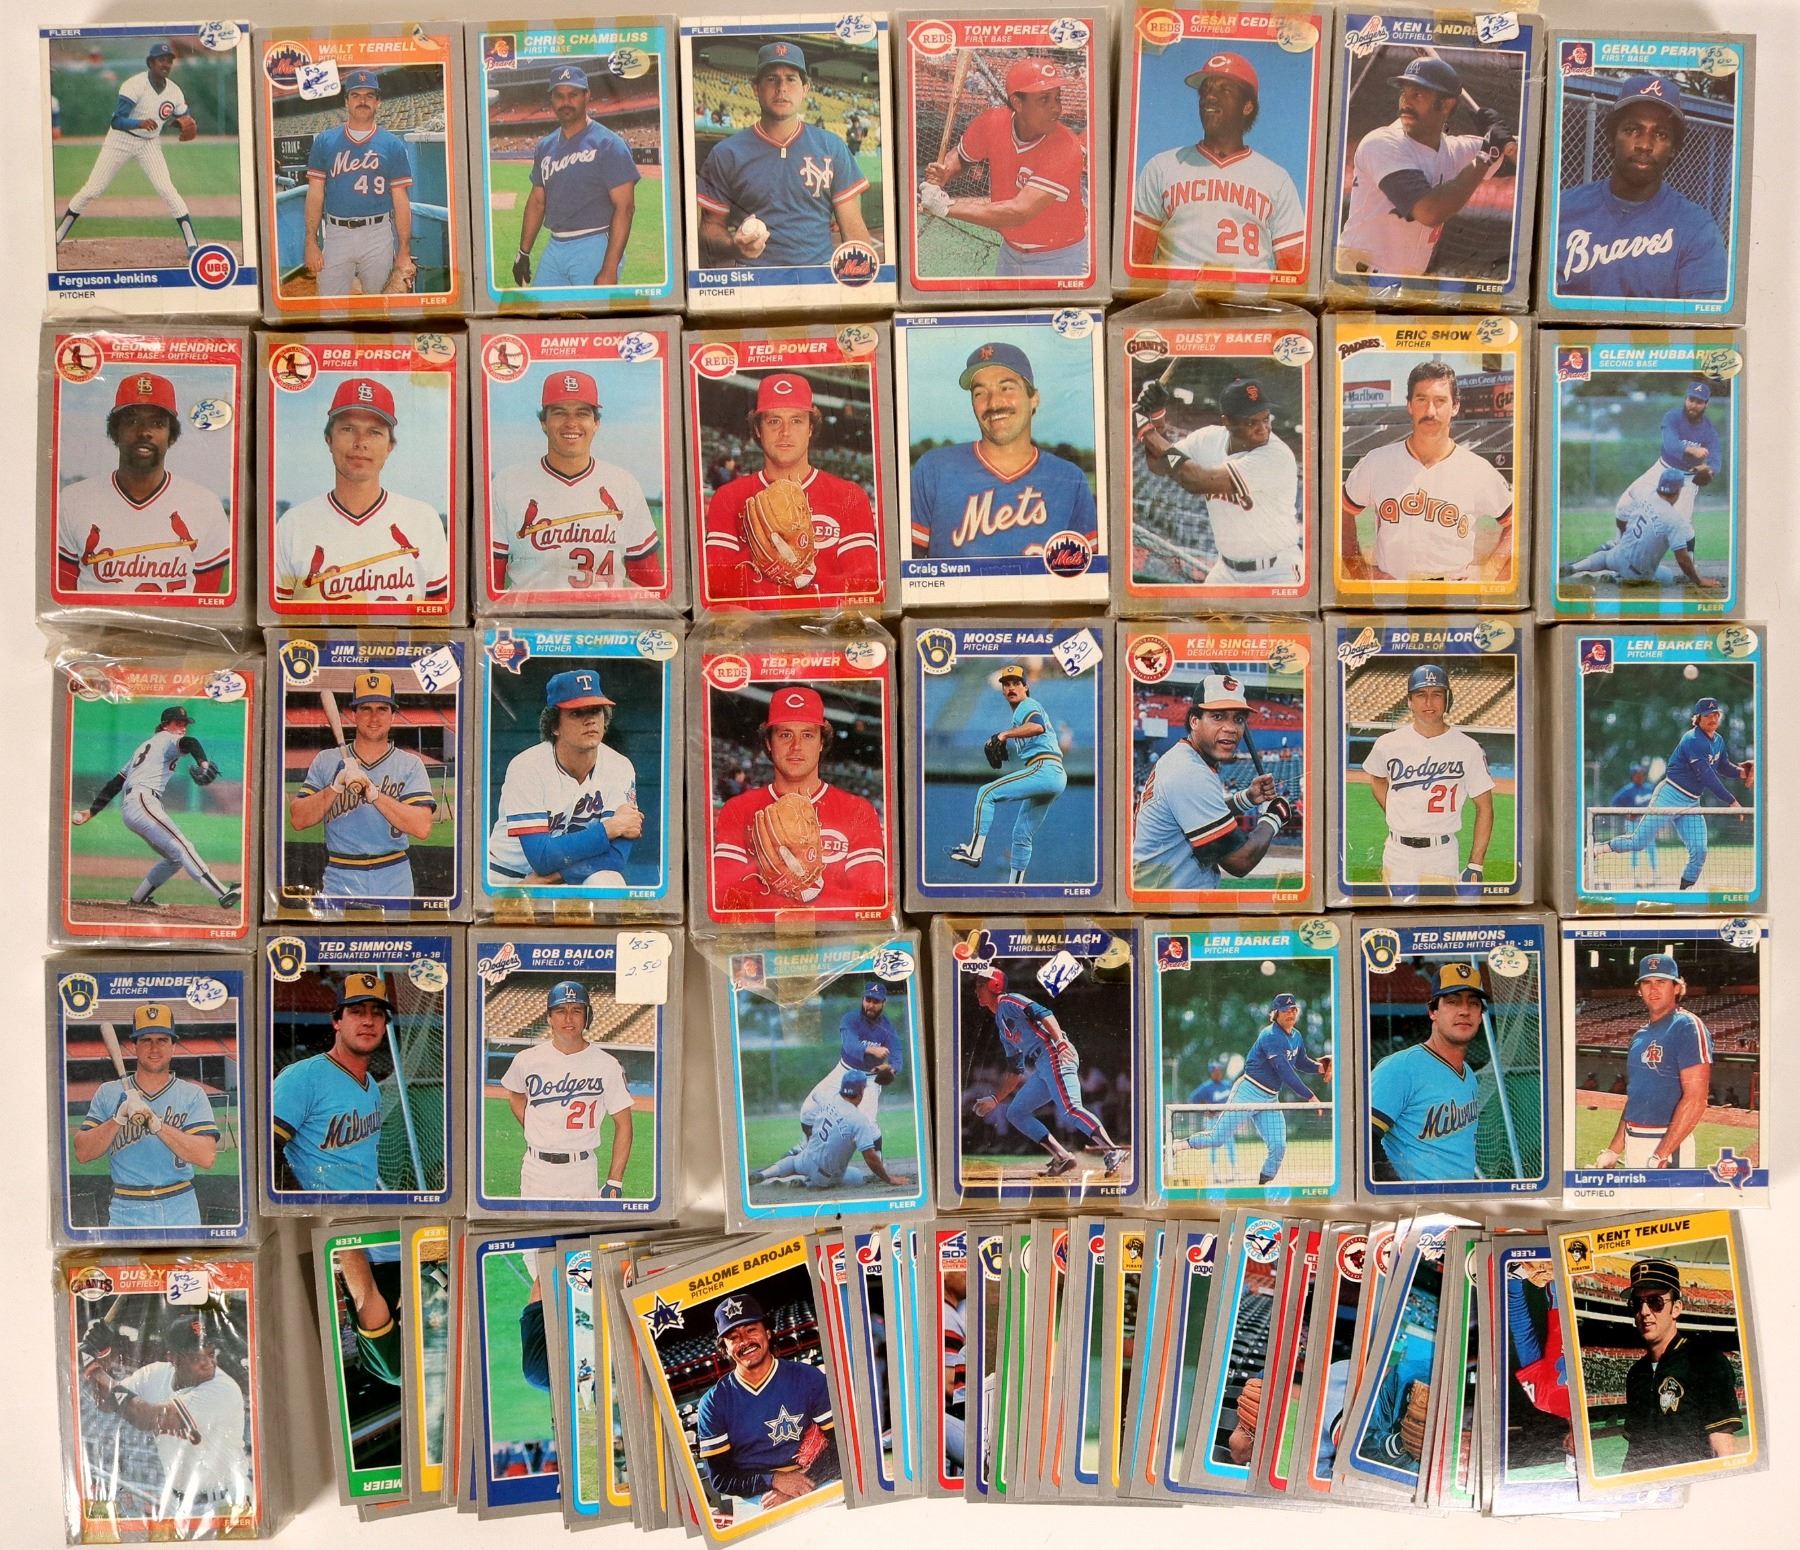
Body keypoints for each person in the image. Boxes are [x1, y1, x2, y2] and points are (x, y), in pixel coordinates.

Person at [909, 341, 1097, 562]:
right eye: (980, 393)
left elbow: (1088, 572)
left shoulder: (1070, 480)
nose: (994, 403)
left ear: (1034, 398)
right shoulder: (933, 470)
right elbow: (909, 566)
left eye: (1006, 388)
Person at [272, 377, 450, 608]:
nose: (360, 442)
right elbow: (277, 619)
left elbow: (440, 617)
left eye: (374, 432)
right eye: (348, 429)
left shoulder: (423, 519)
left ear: (390, 446)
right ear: (329, 439)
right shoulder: (292, 525)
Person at [702, 373, 878, 602]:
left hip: (826, 626)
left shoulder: (850, 496)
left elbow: (864, 587)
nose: (785, 431)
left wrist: (803, 576)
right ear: (758, 429)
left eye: (796, 420)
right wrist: (766, 563)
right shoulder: (728, 498)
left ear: (810, 428)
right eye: (774, 421)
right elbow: (716, 588)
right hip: (753, 627)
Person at [711, 685, 887, 913]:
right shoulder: (738, 809)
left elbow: (872, 901)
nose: (796, 746)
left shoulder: (858, 810)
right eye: (785, 734)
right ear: (769, 742)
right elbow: (724, 900)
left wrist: (808, 888)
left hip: (837, 938)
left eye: (807, 735)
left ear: (821, 743)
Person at [696, 42, 873, 268]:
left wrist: (864, 278)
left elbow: (854, 229)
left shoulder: (832, 147)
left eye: (791, 79)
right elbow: (710, 227)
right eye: (772, 79)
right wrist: (734, 246)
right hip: (755, 276)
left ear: (805, 89)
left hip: (819, 273)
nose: (782, 88)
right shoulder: (726, 153)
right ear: (755, 88)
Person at [488, 370, 663, 598]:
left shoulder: (623, 484)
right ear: (543, 422)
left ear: (596, 423)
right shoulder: (507, 484)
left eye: (582, 413)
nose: (571, 423)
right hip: (531, 616)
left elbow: (649, 583)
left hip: (607, 614)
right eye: (560, 413)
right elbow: (489, 586)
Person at [1337, 55, 1516, 278]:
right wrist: (1487, 156)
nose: (1406, 102)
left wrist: (1501, 135)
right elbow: (1430, 212)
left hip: (1406, 282)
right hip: (1357, 278)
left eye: (1418, 94)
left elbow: (1524, 162)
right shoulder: (1382, 143)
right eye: (1404, 93)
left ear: (1446, 105)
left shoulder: (1457, 149)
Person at [56, 372, 231, 597]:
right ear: (115, 432)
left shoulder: (205, 505)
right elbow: (64, 599)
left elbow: (206, 603)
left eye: (157, 423)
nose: (144, 432)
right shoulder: (72, 500)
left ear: (171, 436)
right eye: (132, 421)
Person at [1554, 74, 1728, 301]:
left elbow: (1703, 319)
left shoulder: (1697, 228)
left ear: (1673, 149)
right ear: (1611, 138)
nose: (1645, 145)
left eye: (1661, 134)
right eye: (1632, 130)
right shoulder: (1561, 210)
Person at [1130, 51, 1304, 276]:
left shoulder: (1276, 179)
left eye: (1224, 89)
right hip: (1177, 296)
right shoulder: (1162, 166)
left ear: (1247, 106)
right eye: (1206, 90)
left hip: (1247, 297)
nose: (1210, 96)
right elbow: (1137, 260)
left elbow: (1293, 272)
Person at [1340, 360, 1514, 582]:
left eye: (1440, 401)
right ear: (1409, 405)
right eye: (1421, 399)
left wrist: (1489, 571)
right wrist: (1359, 570)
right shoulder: (1377, 462)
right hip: (1394, 593)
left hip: (1453, 594)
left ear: (1455, 406)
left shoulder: (1477, 469)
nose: (1430, 411)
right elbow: (1342, 511)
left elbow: (1516, 523)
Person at [918, 58, 1088, 278]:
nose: (1056, 108)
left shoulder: (1066, 146)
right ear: (1017, 102)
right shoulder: (992, 122)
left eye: (1057, 98)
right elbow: (961, 156)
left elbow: (1019, 212)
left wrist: (946, 206)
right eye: (1044, 99)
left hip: (1060, 258)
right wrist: (945, 171)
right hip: (1010, 252)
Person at [70, 704, 241, 912]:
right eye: (178, 723)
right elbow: (191, 742)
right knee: (184, 846)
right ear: (165, 725)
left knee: (175, 858)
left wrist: (92, 810)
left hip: (134, 806)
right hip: (143, 801)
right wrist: (203, 763)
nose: (183, 727)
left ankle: (138, 899)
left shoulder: (145, 747)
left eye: (185, 723)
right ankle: (223, 893)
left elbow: (117, 782)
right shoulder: (167, 739)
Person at [81, 1311, 248, 1522]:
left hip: (224, 1502)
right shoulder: (155, 1374)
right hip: (176, 1500)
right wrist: (102, 1356)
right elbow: (106, 1404)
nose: (208, 1363)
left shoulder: (222, 1388)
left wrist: (92, 1367)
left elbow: (148, 1417)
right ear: (172, 1358)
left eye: (211, 1353)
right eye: (197, 1357)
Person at [1134, 376, 1302, 585]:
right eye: (1251, 422)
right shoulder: (1208, 439)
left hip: (1276, 572)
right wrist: (1156, 417)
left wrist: (1145, 430)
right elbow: (1159, 465)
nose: (1263, 428)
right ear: (1227, 422)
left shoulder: (1276, 455)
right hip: (1226, 570)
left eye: (1266, 419)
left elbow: (1197, 481)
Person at [1131, 674, 1289, 892]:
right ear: (1194, 721)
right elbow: (1239, 861)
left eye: (1238, 719)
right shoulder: (1189, 772)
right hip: (1168, 899)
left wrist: (1247, 798)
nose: (1231, 728)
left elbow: (1202, 813)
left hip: (1164, 889)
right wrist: (1274, 817)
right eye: (1217, 716)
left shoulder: (1185, 757)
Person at [487, 668, 642, 889]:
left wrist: (552, 879)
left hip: (565, 876)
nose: (590, 720)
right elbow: (541, 857)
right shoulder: (527, 767)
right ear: (554, 726)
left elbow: (616, 856)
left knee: (608, 880)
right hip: (507, 876)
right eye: (577, 713)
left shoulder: (619, 766)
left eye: (596, 711)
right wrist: (610, 828)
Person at [288, 672, 437, 901]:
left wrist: (374, 794)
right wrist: (335, 787)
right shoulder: (326, 760)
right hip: (341, 874)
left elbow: (422, 827)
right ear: (353, 714)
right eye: (366, 708)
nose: (374, 717)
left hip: (394, 874)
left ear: (393, 715)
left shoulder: (410, 764)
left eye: (382, 709)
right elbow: (298, 819)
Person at [73, 1003, 220, 1228]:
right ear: (135, 1046)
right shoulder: (108, 1092)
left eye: (162, 1040)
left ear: (173, 1046)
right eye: (146, 1040)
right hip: (127, 1206)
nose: (154, 1048)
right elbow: (82, 1152)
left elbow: (206, 1157)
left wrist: (156, 1124)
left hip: (180, 1204)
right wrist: (117, 1119)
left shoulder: (192, 1094)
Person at [970, 968, 1128, 1178]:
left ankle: (1112, 1151)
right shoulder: (1001, 1025)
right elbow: (1016, 1070)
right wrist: (995, 1099)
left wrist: (1060, 1042)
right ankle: (1062, 1156)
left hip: (1053, 1052)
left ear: (995, 985)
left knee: (1071, 1109)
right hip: (1042, 1064)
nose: (976, 990)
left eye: (980, 985)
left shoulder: (1009, 1001)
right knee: (1015, 1112)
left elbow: (1045, 1014)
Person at [1590, 695, 1752, 891]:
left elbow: (1723, 766)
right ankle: (1597, 849)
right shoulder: (1692, 740)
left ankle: (1684, 892)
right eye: (1707, 715)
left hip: (1692, 803)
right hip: (1669, 796)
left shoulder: (1718, 740)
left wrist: (1743, 772)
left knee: (1700, 850)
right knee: (1638, 842)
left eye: (1716, 714)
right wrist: (1731, 800)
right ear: (1697, 718)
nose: (1713, 718)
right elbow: (1707, 776)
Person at [54, 41, 201, 258]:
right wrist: (139, 123)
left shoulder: (174, 91)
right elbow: (117, 121)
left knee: (167, 189)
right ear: (151, 63)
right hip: (120, 140)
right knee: (93, 189)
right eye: (161, 60)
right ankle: (57, 236)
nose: (166, 64)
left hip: (149, 143)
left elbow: (182, 115)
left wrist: (184, 121)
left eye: (169, 60)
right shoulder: (134, 85)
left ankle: (192, 245)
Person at [1360, 663, 1495, 894]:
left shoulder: (1468, 747)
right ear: (1410, 701)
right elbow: (1377, 779)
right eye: (1421, 695)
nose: (1429, 702)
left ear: (1447, 699)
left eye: (1437, 694)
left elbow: (1485, 807)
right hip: (1397, 851)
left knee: (1438, 914)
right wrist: (1396, 812)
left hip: (1441, 853)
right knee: (1395, 913)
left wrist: (1475, 864)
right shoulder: (1387, 743)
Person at [695, 1295, 839, 1508]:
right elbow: (720, 1477)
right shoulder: (713, 1403)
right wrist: (775, 1480)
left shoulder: (807, 1377)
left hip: (816, 1475)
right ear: (724, 1348)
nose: (744, 1341)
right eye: (733, 1337)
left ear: (768, 1332)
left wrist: (800, 1485)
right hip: (756, 1495)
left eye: (751, 1330)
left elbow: (842, 1443)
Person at [501, 979, 635, 1200]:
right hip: (536, 1169)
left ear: (587, 1016)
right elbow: (516, 1096)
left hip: (581, 1170)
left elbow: (624, 1124)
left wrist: (614, 1180)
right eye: (561, 1011)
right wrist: (537, 1128)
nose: (569, 1018)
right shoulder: (526, 1059)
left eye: (576, 1011)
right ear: (549, 1017)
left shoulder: (607, 1064)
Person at [511, 65, 639, 289]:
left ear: (587, 96)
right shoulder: (545, 146)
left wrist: (609, 268)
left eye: (573, 95)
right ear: (551, 99)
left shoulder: (609, 144)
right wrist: (523, 252)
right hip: (555, 244)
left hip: (595, 243)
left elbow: (625, 207)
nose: (566, 102)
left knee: (591, 312)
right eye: (559, 96)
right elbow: (537, 201)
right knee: (542, 308)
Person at [1183, 994, 1329, 1186]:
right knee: (1217, 1138)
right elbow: (1284, 1070)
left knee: (1278, 1146)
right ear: (1276, 1014)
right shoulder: (1270, 1035)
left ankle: (1262, 1187)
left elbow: (1300, 1062)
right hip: (1248, 1092)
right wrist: (1310, 1096)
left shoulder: (1297, 1036)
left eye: (1294, 1009)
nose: (1290, 1013)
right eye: (1285, 1010)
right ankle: (1177, 1146)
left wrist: (1322, 1067)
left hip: (1270, 1098)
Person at [271, 971, 392, 1194]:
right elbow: (263, 1147)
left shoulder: (372, 1086)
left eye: (377, 1014)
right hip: (322, 1212)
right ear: (336, 1021)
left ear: (384, 1026)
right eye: (356, 1012)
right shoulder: (303, 1076)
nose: (368, 1021)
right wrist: (301, 1202)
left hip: (365, 1207)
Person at [1592, 954, 1714, 1171]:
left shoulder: (1687, 1026)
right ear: (1639, 990)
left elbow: (1696, 1099)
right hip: (1634, 1138)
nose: (1653, 989)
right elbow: (1636, 1099)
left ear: (1677, 988)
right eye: (1647, 983)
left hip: (1668, 1143)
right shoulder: (1639, 1036)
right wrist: (1613, 1150)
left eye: (1661, 982)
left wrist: (1661, 1154)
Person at [1368, 962, 1488, 1183]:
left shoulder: (1469, 1075)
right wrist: (1396, 1192)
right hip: (1419, 1201)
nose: (1464, 1010)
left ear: (1480, 1016)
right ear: (1433, 1011)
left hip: (1463, 1197)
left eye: (1473, 1004)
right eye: (1452, 1002)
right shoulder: (1399, 1068)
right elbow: (1361, 1137)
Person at [1618, 1258, 1742, 1470]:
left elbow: (1722, 1449)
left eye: (1655, 1302)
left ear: (1676, 1308)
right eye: (1637, 1303)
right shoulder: (1635, 1373)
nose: (1645, 1311)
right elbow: (1634, 1449)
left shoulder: (1706, 1361)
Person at [300, 68, 414, 296]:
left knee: (379, 305)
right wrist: (311, 242)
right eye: (356, 95)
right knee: (330, 305)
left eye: (369, 95)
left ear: (378, 102)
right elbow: (315, 194)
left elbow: (401, 200)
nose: (363, 101)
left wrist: (404, 250)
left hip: (378, 234)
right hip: (336, 233)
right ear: (346, 102)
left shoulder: (392, 144)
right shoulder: (325, 141)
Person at [949, 664, 1067, 883]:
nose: (1011, 688)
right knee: (1022, 834)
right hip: (1054, 774)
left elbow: (1038, 726)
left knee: (986, 793)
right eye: (1006, 684)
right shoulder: (1019, 714)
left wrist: (1004, 735)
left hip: (1045, 769)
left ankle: (974, 851)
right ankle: (1016, 885)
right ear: (1002, 690)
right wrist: (1004, 740)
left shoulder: (1027, 705)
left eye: (1016, 683)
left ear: (1026, 687)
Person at [1561, 469, 1718, 592]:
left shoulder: (1644, 493)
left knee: (1604, 556)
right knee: (1667, 576)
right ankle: (1617, 579)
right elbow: (1683, 559)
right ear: (1678, 491)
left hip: (1619, 554)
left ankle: (1575, 567)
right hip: (1637, 573)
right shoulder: (1675, 520)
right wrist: (1700, 581)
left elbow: (1631, 493)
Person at [751, 1071, 906, 1190]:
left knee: (793, 1162)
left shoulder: (829, 1098)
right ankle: (805, 1183)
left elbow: (816, 1095)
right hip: (825, 1176)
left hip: (807, 1157)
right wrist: (889, 1179)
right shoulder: (859, 1121)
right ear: (861, 1092)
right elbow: (870, 1158)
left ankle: (764, 1174)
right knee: (857, 1176)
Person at [799, 982, 898, 1131]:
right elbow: (850, 1046)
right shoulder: (850, 1019)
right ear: (863, 1000)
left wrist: (892, 1068)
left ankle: (871, 1148)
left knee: (867, 1126)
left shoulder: (888, 1027)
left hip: (870, 1079)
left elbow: (897, 1055)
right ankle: (808, 1144)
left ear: (883, 1003)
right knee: (808, 1111)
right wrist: (872, 1050)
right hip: (844, 1071)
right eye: (868, 1000)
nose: (871, 1005)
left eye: (876, 1001)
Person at [1185, 1057, 1238, 1176]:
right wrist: (1204, 1110)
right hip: (1212, 1120)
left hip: (1226, 1119)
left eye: (1219, 1070)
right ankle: (1215, 1172)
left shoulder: (1227, 1085)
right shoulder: (1206, 1087)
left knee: (1230, 1143)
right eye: (1216, 1071)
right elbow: (1192, 1099)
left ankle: (1234, 1170)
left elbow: (1234, 1098)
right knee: (1212, 1145)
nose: (1218, 1073)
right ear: (1211, 1072)